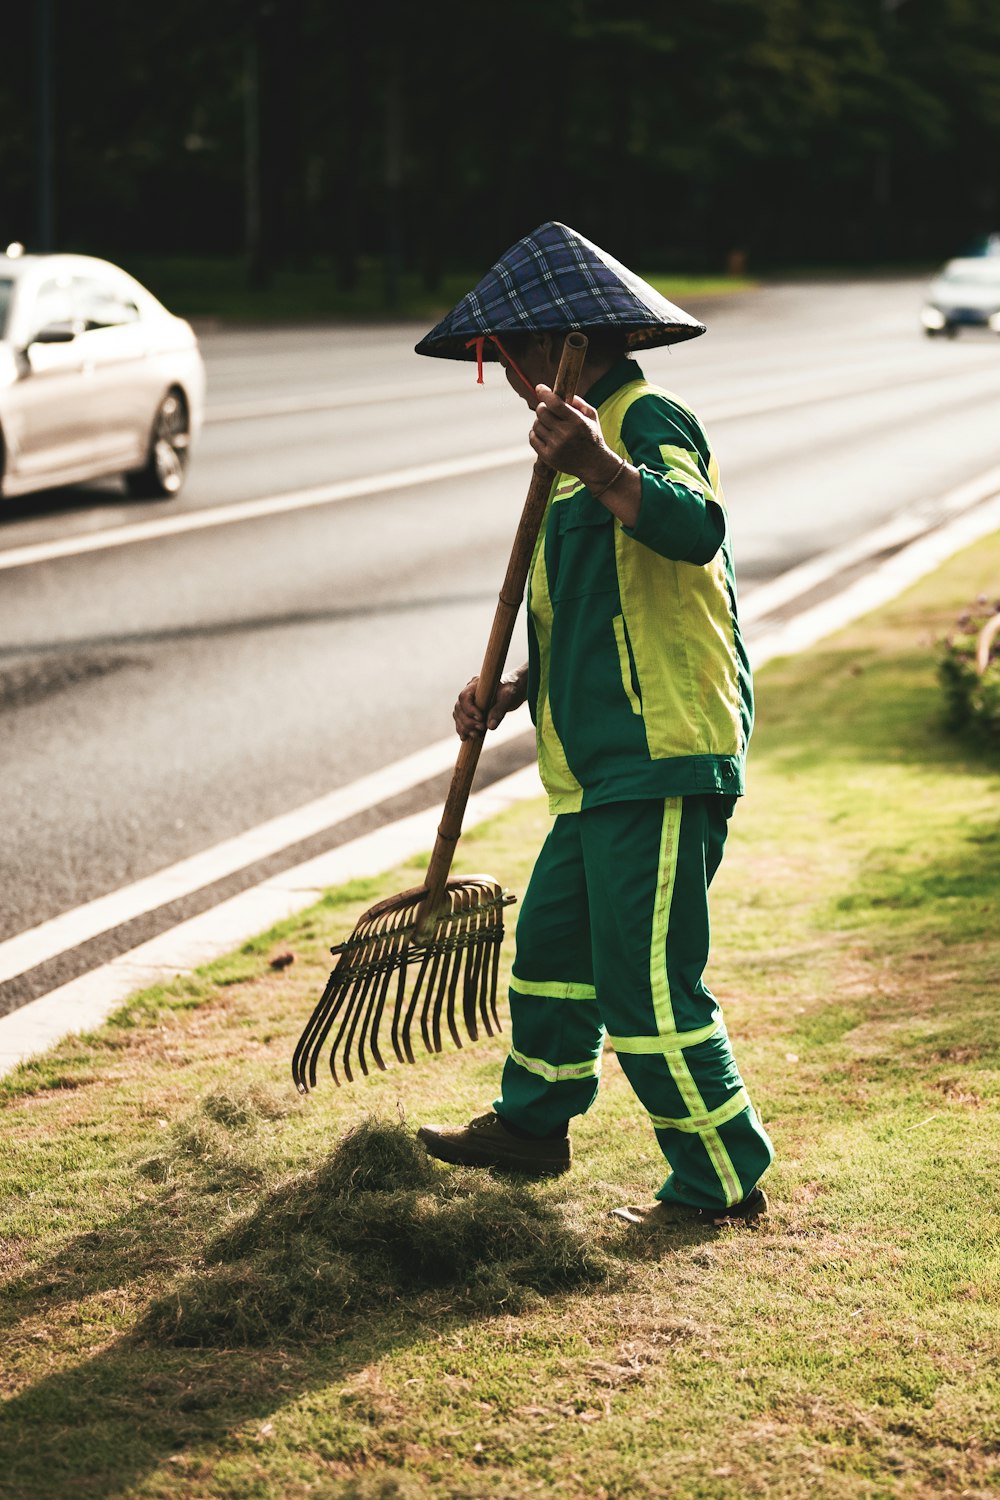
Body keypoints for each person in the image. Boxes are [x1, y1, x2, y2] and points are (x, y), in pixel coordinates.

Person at [412, 223, 774, 1227]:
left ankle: (719, 1177)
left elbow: (693, 527)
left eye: (510, 352)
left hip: (660, 755)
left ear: (560, 344)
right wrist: (515, 687)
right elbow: (598, 606)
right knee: (551, 952)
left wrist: (602, 466)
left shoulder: (646, 418)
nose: (512, 375)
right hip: (594, 768)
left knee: (648, 988)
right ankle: (532, 1127)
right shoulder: (569, 449)